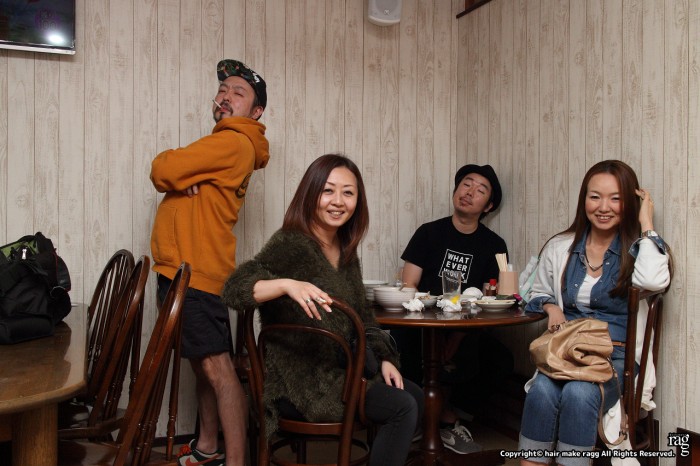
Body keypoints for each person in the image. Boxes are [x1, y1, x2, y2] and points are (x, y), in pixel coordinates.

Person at [222, 154, 423, 466]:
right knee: (403, 407)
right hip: (301, 383)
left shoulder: (345, 249)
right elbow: (234, 289)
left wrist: (384, 358)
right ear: (310, 194)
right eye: (328, 190)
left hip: (343, 372)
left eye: (348, 192)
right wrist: (286, 284)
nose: (338, 201)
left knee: (416, 395)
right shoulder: (291, 243)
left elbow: (364, 317)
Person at [150, 59, 269, 466]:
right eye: (223, 89)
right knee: (203, 367)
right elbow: (175, 174)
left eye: (239, 92)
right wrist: (187, 174)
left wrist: (180, 171)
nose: (226, 96)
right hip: (190, 269)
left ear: (256, 111)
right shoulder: (225, 144)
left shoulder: (231, 141)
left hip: (195, 273)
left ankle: (235, 461)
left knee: (218, 370)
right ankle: (206, 448)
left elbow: (162, 169)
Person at [519, 160, 672, 465]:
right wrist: (551, 307)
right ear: (584, 200)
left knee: (579, 393)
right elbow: (535, 292)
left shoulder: (639, 249)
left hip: (618, 357)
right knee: (541, 391)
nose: (604, 207)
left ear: (629, 203)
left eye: (616, 198)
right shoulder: (561, 246)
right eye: (595, 197)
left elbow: (654, 281)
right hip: (568, 352)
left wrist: (646, 222)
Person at [397, 163, 513, 454]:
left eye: (480, 190)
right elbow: (408, 284)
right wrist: (431, 328)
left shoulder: (494, 245)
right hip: (421, 323)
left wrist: (457, 336)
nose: (469, 192)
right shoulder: (428, 233)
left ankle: (448, 416)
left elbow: (490, 297)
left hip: (465, 327)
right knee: (398, 343)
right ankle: (432, 418)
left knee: (500, 359)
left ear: (489, 206)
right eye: (466, 184)